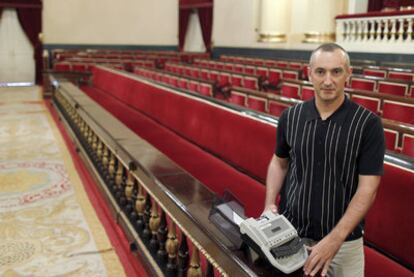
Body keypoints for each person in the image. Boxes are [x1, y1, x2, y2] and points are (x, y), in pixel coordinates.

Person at [263, 43, 385, 277]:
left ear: (348, 74)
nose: (328, 81)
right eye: (320, 72)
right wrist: (270, 203)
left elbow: (368, 190)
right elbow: (279, 162)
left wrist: (333, 240)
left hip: (343, 244)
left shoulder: (368, 124)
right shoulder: (290, 117)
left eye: (336, 72)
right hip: (291, 235)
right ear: (309, 73)